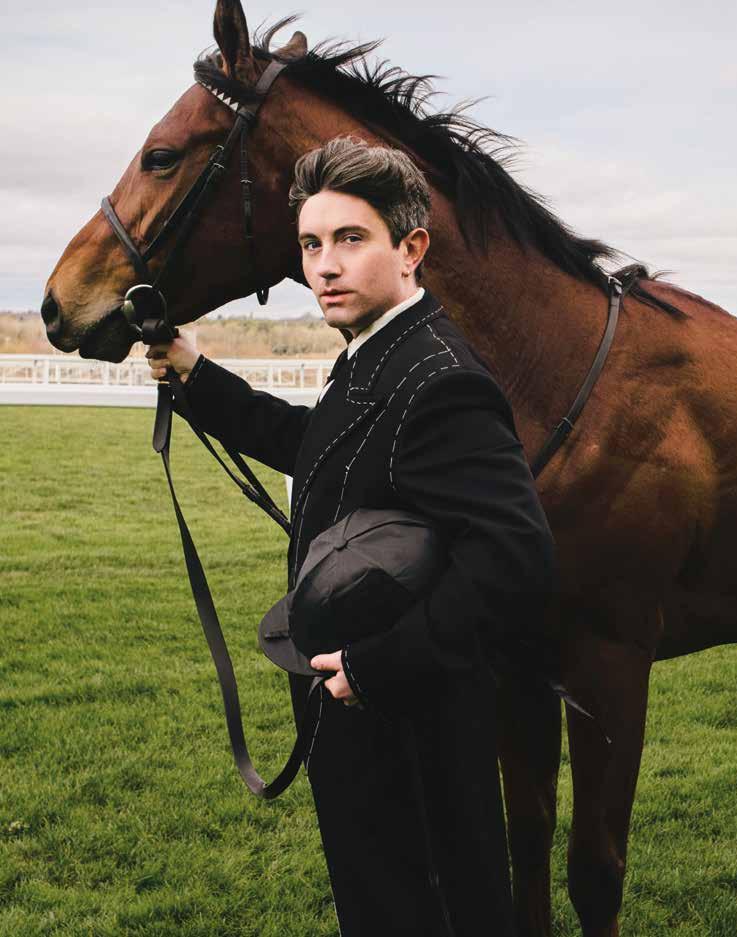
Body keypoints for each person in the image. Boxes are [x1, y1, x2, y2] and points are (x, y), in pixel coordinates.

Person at [146, 136, 554, 937]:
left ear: (411, 248)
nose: (324, 266)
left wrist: (376, 665)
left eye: (349, 239)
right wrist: (198, 376)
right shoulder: (378, 353)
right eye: (309, 244)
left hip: (411, 727)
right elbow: (321, 447)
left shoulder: (439, 380)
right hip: (367, 716)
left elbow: (516, 557)